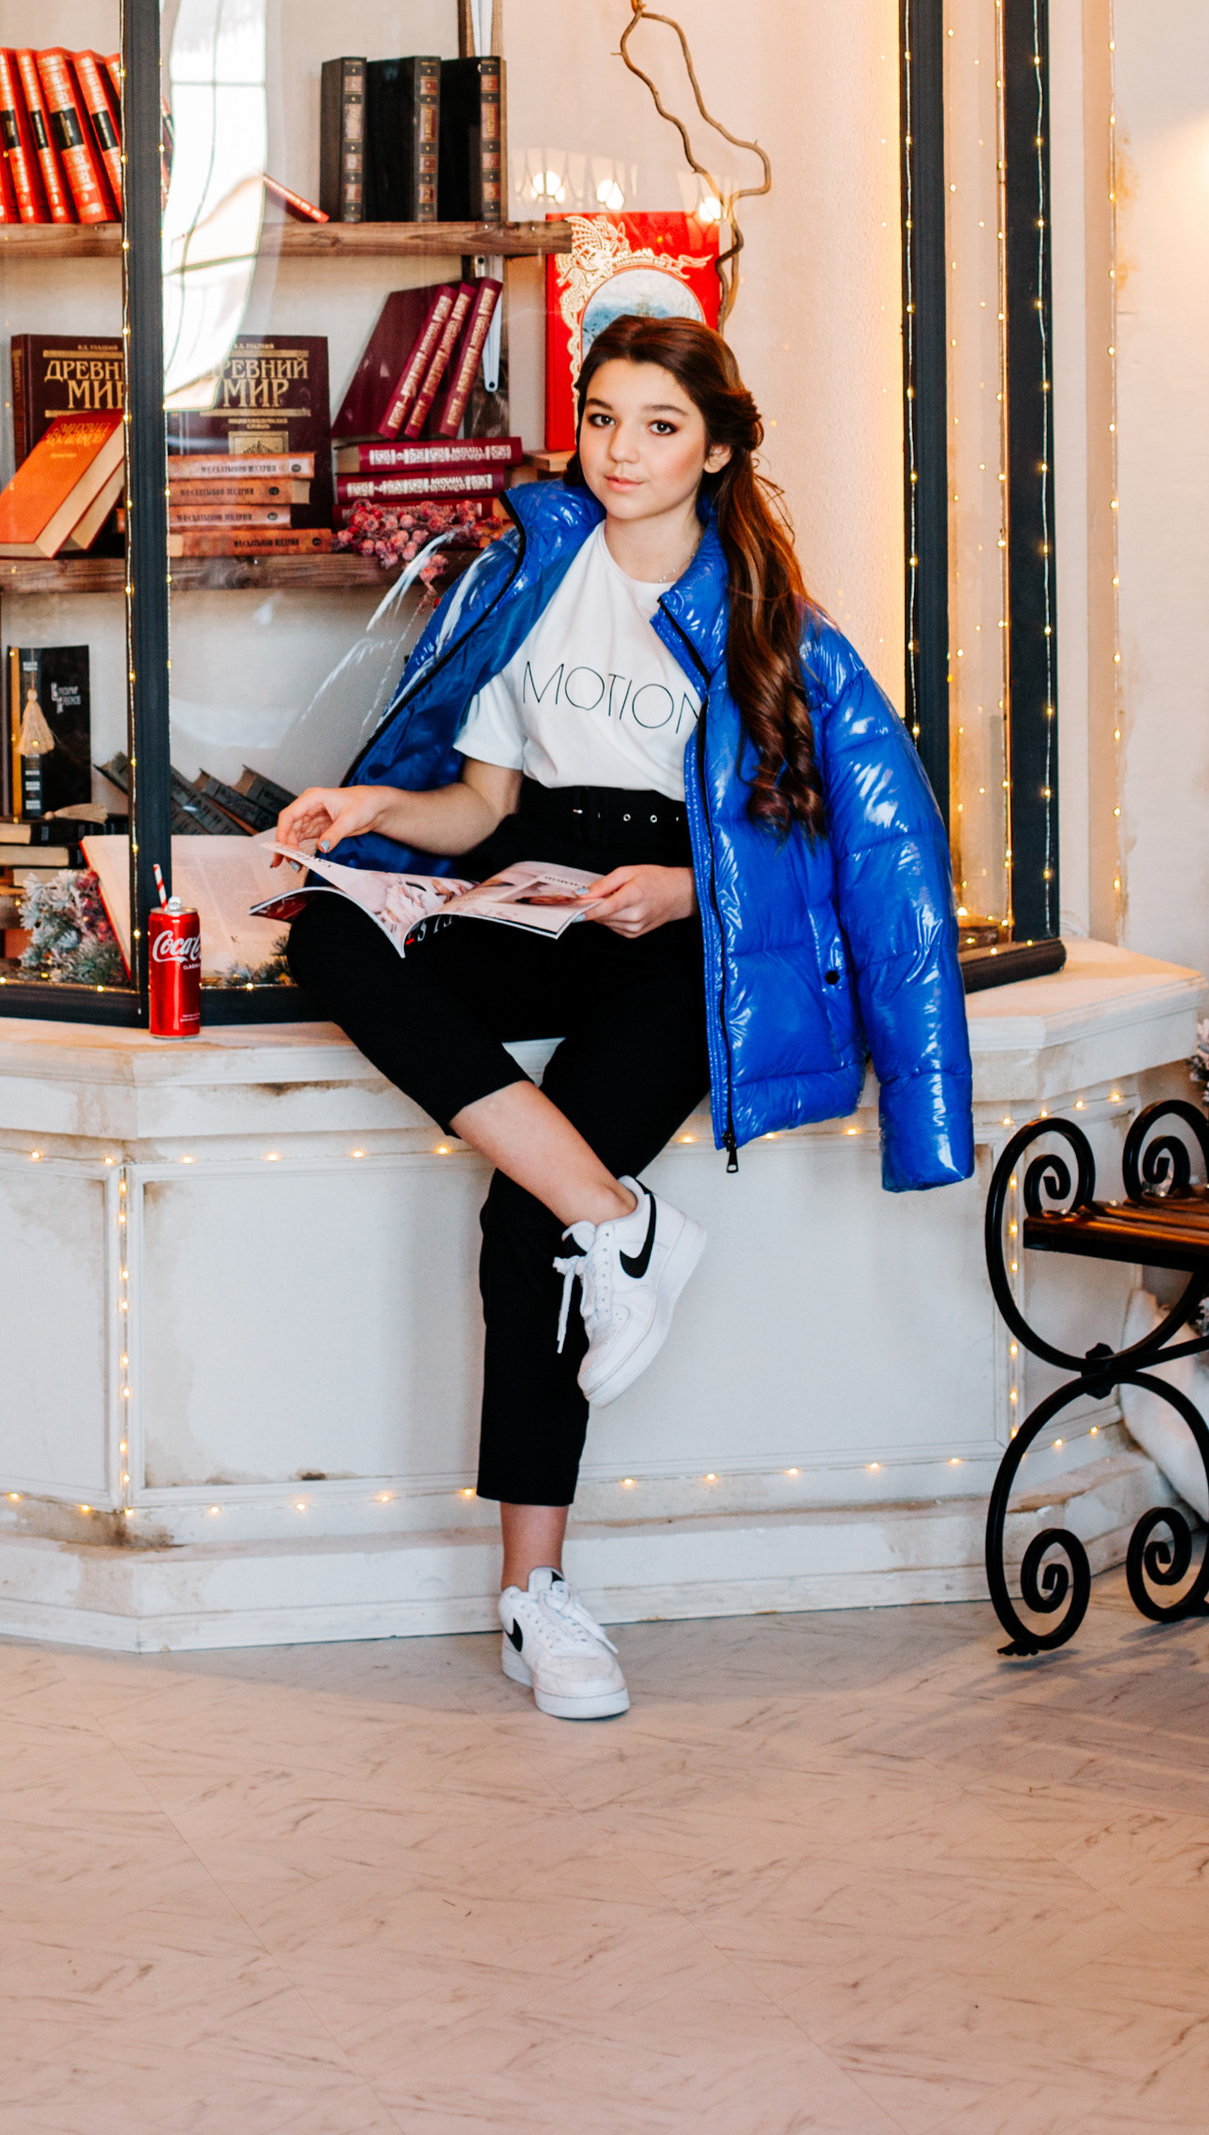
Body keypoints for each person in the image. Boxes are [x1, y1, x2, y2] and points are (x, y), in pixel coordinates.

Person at [279, 313, 970, 1725]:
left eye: (658, 424)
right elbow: (478, 803)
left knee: (513, 1227)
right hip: (536, 884)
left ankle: (536, 1595)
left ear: (715, 448)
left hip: (676, 940)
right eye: (602, 417)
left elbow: (851, 845)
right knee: (334, 931)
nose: (621, 450)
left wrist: (686, 888)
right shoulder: (531, 580)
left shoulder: (772, 621)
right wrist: (369, 814)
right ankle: (620, 1220)